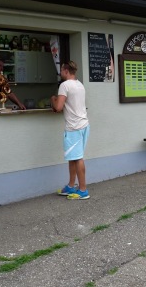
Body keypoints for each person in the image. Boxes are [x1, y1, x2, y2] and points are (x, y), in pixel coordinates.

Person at [51, 61, 90, 200]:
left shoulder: (65, 85)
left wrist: (53, 99)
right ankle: (71, 185)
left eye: (61, 70)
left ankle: (83, 190)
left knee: (77, 157)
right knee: (73, 157)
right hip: (84, 125)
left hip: (74, 127)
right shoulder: (80, 85)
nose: (60, 73)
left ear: (66, 70)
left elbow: (58, 107)